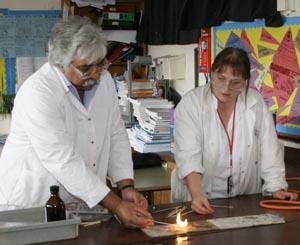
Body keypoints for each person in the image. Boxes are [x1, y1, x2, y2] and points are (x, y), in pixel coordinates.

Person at [0, 16, 153, 228]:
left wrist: (126, 186)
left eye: (100, 64)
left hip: (79, 204)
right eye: (85, 68)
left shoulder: (104, 80)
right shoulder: (37, 93)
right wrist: (116, 205)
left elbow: (116, 134)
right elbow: (62, 159)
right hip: (30, 203)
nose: (95, 74)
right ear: (60, 63)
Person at [171, 47, 298, 214]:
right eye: (220, 78)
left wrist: (276, 187)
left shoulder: (255, 102)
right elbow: (188, 156)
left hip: (244, 197)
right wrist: (196, 194)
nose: (226, 88)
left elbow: (269, 148)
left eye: (235, 82)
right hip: (199, 196)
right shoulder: (191, 104)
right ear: (212, 73)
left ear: (245, 81)